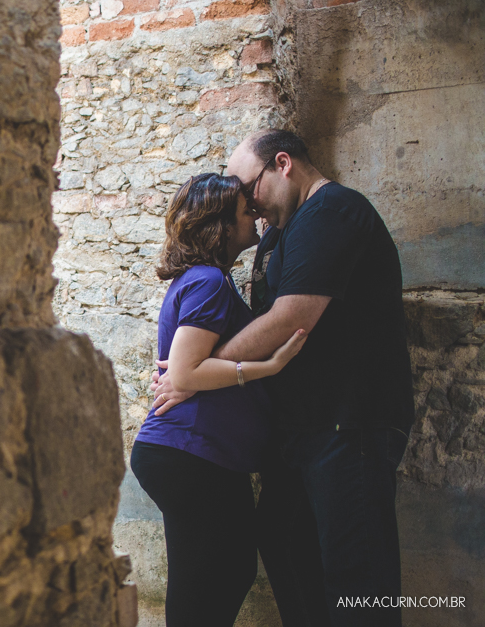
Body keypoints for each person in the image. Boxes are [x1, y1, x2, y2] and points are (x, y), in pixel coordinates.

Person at [152, 130, 415, 627]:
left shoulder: (333, 212)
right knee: (283, 545)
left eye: (250, 190)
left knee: (357, 575)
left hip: (348, 422)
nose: (247, 205)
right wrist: (199, 366)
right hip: (297, 430)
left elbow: (289, 318)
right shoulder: (276, 233)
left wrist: (194, 373)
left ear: (282, 164)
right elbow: (253, 318)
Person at [130, 172, 308, 627]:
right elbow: (187, 370)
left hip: (199, 455)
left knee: (219, 576)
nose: (255, 216)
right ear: (220, 224)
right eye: (245, 211)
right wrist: (268, 367)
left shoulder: (212, 280)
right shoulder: (208, 280)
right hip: (189, 453)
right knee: (209, 580)